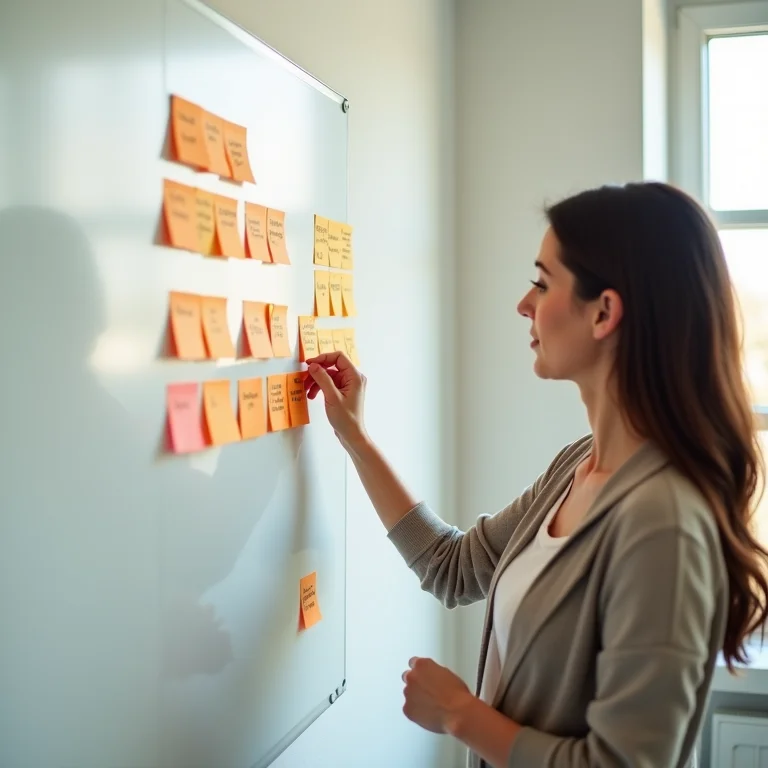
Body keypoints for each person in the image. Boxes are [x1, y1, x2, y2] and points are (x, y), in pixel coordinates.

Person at [303, 181, 768, 768]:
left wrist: (458, 715)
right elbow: (452, 566)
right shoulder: (577, 465)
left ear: (604, 313)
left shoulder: (662, 520)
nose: (524, 303)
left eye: (543, 283)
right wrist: (354, 437)